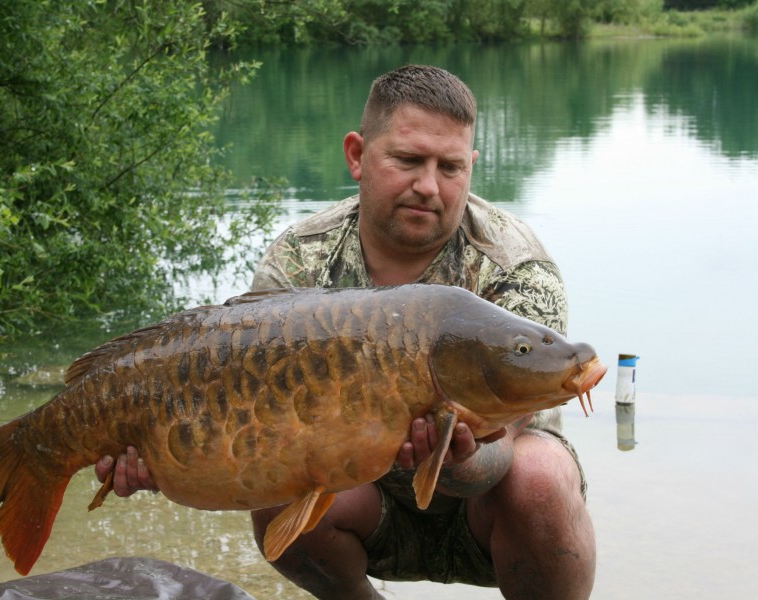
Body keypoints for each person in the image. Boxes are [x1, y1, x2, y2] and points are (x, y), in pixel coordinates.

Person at [96, 64, 595, 600]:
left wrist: (460, 456)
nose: (428, 186)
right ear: (357, 155)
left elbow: (504, 453)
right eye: (407, 160)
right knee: (277, 483)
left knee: (539, 477)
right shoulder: (300, 259)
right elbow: (244, 426)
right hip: (361, 507)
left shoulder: (517, 268)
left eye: (450, 167)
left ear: (471, 167)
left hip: (491, 514)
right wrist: (171, 461)